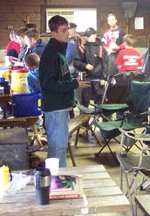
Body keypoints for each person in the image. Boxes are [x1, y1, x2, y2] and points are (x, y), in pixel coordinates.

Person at [39, 15, 90, 167]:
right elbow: (49, 84)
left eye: (67, 30)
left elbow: (59, 78)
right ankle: (58, 183)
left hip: (61, 106)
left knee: (59, 147)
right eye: (63, 30)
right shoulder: (51, 54)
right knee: (57, 148)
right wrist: (73, 84)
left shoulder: (59, 51)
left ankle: (56, 182)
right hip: (55, 108)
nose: (67, 33)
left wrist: (73, 83)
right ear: (53, 33)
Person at [73, 27, 108, 106]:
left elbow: (105, 64)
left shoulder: (101, 48)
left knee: (101, 104)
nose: (87, 38)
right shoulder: (82, 48)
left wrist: (103, 78)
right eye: (86, 36)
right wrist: (85, 65)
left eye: (89, 36)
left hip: (98, 80)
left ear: (95, 35)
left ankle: (103, 117)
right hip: (86, 80)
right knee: (84, 104)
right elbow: (76, 62)